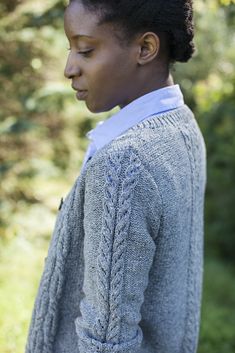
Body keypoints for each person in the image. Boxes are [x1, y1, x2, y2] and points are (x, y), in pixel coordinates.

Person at [25, 1, 207, 353]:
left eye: (86, 50)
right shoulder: (183, 127)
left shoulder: (124, 166)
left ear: (145, 48)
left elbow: (107, 343)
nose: (69, 68)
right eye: (70, 49)